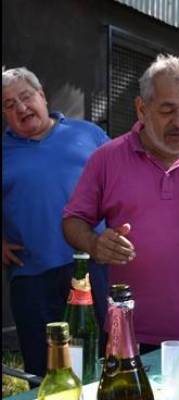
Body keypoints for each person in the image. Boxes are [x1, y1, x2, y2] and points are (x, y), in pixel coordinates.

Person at [62, 54, 179, 356]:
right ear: (142, 108)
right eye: (167, 110)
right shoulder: (106, 159)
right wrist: (95, 244)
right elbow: (72, 221)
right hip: (129, 331)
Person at [2, 67, 110, 380]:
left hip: (92, 267)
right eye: (9, 105)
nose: (21, 108)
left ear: (42, 95)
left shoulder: (88, 134)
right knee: (46, 368)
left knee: (98, 360)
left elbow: (121, 183)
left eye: (25, 97)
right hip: (32, 277)